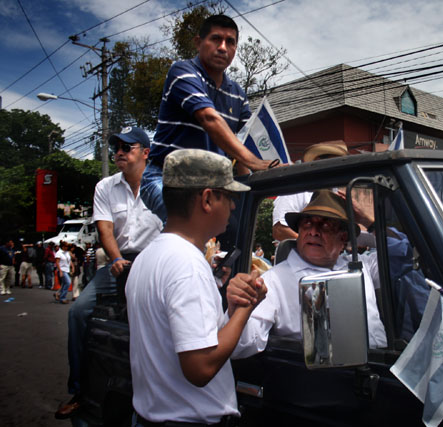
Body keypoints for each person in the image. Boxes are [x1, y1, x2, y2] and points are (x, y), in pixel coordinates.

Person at [126, 149, 267, 425]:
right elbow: (200, 368)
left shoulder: (147, 257)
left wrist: (233, 306)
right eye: (228, 197)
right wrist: (246, 309)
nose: (233, 207)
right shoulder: (187, 264)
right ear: (207, 199)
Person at [55, 126, 163, 420]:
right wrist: (114, 259)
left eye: (127, 147)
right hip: (121, 261)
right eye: (117, 147)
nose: (119, 152)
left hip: (156, 261)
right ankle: (79, 390)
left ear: (145, 152)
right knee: (78, 312)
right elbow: (105, 229)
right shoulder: (105, 186)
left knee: (159, 324)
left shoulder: (164, 185)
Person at [141, 14, 273, 223]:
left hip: (211, 186)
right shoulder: (183, 72)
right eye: (215, 39)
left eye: (230, 42)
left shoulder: (237, 93)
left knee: (237, 233)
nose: (223, 47)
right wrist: (257, 163)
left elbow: (245, 140)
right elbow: (209, 118)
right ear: (198, 42)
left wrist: (250, 189)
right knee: (191, 223)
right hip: (165, 179)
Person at [229, 190, 387, 360]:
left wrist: (369, 223)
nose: (313, 232)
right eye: (307, 224)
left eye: (325, 225)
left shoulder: (363, 266)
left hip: (383, 368)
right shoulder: (273, 281)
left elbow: (402, 250)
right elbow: (241, 346)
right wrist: (237, 308)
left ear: (343, 237)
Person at [272, 141, 349, 241]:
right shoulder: (296, 190)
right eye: (333, 163)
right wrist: (315, 244)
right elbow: (280, 230)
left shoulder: (336, 192)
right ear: (318, 163)